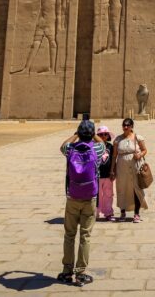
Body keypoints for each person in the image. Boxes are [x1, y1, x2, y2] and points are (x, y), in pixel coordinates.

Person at [58, 119, 108, 286]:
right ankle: (80, 273)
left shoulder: (71, 149)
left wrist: (75, 135)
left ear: (79, 133)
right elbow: (103, 143)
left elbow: (62, 145)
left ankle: (66, 271)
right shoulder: (97, 148)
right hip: (90, 196)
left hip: (72, 196)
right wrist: (94, 135)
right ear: (92, 134)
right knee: (85, 235)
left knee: (69, 235)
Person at [113, 118, 148, 222]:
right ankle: (122, 212)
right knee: (122, 189)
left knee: (136, 189)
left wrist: (140, 154)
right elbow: (114, 156)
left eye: (128, 125)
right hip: (121, 168)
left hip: (135, 167)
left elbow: (145, 150)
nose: (125, 127)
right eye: (124, 125)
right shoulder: (118, 139)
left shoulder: (138, 138)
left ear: (132, 126)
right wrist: (112, 170)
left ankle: (136, 213)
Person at [96, 125, 115, 221]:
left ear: (108, 136)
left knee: (108, 194)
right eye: (100, 134)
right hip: (97, 175)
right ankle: (96, 212)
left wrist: (113, 171)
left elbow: (113, 160)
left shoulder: (110, 147)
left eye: (105, 134)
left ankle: (108, 212)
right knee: (97, 195)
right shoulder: (94, 146)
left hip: (108, 175)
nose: (103, 136)